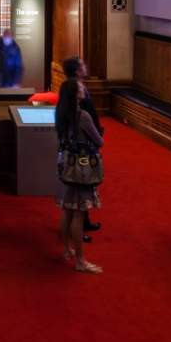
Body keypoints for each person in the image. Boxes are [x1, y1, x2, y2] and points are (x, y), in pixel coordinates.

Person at [56, 78, 104, 274]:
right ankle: (80, 261)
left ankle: (67, 249)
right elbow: (98, 140)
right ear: (76, 94)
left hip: (67, 164)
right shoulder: (82, 115)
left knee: (67, 209)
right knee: (78, 213)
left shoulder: (61, 113)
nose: (84, 88)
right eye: (81, 87)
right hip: (82, 169)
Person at [59, 56, 102, 238]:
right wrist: (96, 135)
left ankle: (82, 223)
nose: (85, 67)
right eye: (82, 65)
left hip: (76, 148)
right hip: (82, 150)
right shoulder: (77, 99)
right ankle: (78, 230)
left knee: (78, 192)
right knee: (79, 192)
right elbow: (86, 120)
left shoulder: (69, 89)